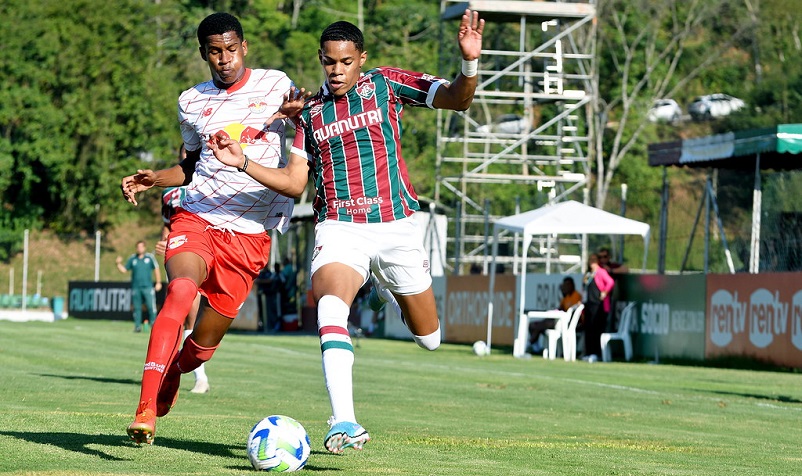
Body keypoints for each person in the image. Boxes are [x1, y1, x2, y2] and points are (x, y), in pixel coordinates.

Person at [212, 10, 483, 454]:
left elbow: (458, 99)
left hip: (396, 227)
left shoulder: (386, 84)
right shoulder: (309, 113)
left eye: (345, 62)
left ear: (361, 59)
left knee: (430, 339)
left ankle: (388, 287)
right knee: (330, 306)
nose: (336, 71)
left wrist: (468, 63)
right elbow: (296, 182)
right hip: (340, 227)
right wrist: (243, 162)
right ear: (321, 59)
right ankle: (345, 421)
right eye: (328, 62)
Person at [121, 12, 308, 445]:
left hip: (249, 235)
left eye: (230, 49)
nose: (223, 59)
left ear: (243, 47)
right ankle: (145, 408)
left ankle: (174, 371)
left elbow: (305, 124)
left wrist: (298, 118)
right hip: (198, 216)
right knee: (180, 290)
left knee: (201, 347)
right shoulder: (191, 101)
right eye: (214, 51)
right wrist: (156, 178)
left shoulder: (275, 85)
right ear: (203, 53)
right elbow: (187, 167)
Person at [155, 145, 209, 395]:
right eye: (186, 152)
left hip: (209, 248)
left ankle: (185, 367)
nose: (189, 156)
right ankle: (198, 376)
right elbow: (167, 226)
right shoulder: (169, 193)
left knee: (207, 317)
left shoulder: (213, 181)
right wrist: (164, 242)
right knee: (185, 310)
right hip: (181, 252)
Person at [116, 241, 162, 333]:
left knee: (151, 307)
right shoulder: (133, 258)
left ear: (144, 248)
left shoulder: (150, 257)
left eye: (141, 247)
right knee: (137, 308)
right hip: (136, 287)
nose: (140, 249)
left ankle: (153, 325)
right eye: (138, 247)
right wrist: (118, 264)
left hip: (148, 287)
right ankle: (137, 327)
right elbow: (124, 270)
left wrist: (158, 282)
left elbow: (156, 269)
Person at [528, 276, 581, 354]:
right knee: (532, 325)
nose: (564, 287)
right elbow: (560, 308)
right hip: (560, 321)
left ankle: (529, 344)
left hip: (570, 323)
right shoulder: (566, 297)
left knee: (540, 325)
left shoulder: (576, 296)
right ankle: (536, 348)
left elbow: (573, 311)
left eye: (566, 285)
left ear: (571, 285)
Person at [582, 253, 615, 363]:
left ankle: (596, 353)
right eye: (590, 260)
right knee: (589, 329)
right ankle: (588, 352)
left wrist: (605, 292)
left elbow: (610, 282)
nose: (592, 262)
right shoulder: (589, 274)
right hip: (589, 304)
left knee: (597, 329)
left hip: (598, 305)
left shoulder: (601, 272)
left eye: (594, 260)